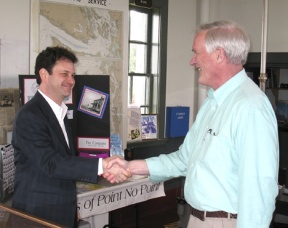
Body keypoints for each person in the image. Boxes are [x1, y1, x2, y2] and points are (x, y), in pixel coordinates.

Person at [106, 20, 279, 228]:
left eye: (197, 53)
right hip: (198, 218)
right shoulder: (212, 102)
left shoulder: (251, 106)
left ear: (219, 54)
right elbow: (183, 160)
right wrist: (130, 166)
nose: (192, 61)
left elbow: (258, 190)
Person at [12, 46, 131, 228]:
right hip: (37, 216)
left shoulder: (60, 113)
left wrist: (70, 208)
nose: (71, 81)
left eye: (73, 75)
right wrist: (103, 164)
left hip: (61, 211)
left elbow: (67, 162)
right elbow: (51, 163)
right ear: (44, 75)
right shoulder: (30, 116)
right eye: (64, 74)